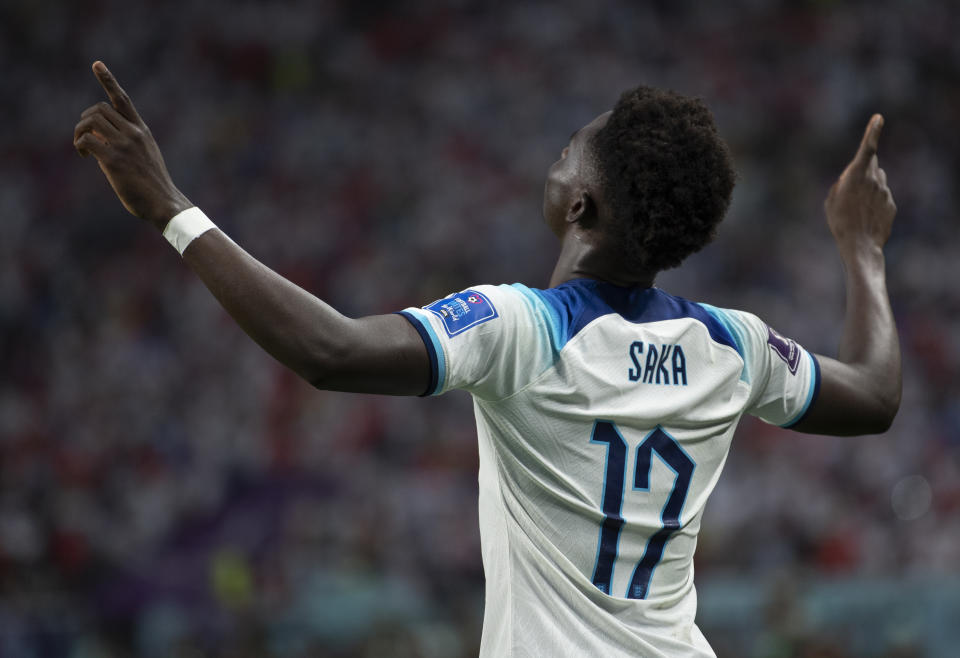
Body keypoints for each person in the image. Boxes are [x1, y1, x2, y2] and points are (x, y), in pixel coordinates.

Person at [74, 61, 900, 657]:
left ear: (580, 204)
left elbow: (328, 351)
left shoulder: (519, 327)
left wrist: (172, 211)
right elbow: (873, 395)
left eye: (566, 152)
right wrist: (860, 246)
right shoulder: (736, 345)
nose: (555, 159)